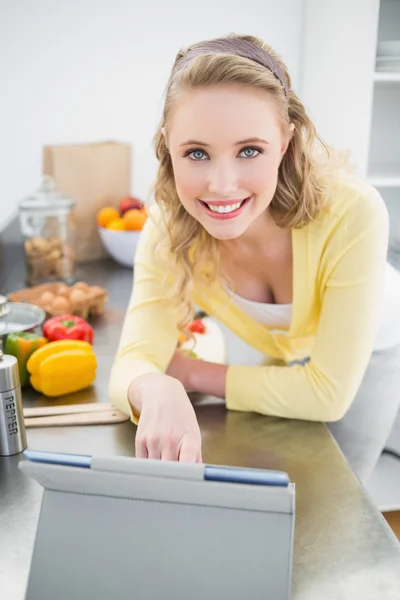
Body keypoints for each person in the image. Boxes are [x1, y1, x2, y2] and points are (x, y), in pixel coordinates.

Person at [109, 33, 400, 482]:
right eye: (196, 153)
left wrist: (193, 373)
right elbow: (132, 362)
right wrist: (157, 385)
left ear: (285, 141)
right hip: (286, 358)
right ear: (168, 146)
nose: (222, 185)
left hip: (375, 351)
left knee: (339, 493)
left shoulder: (352, 212)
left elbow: (326, 394)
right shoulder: (168, 232)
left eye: (249, 150)